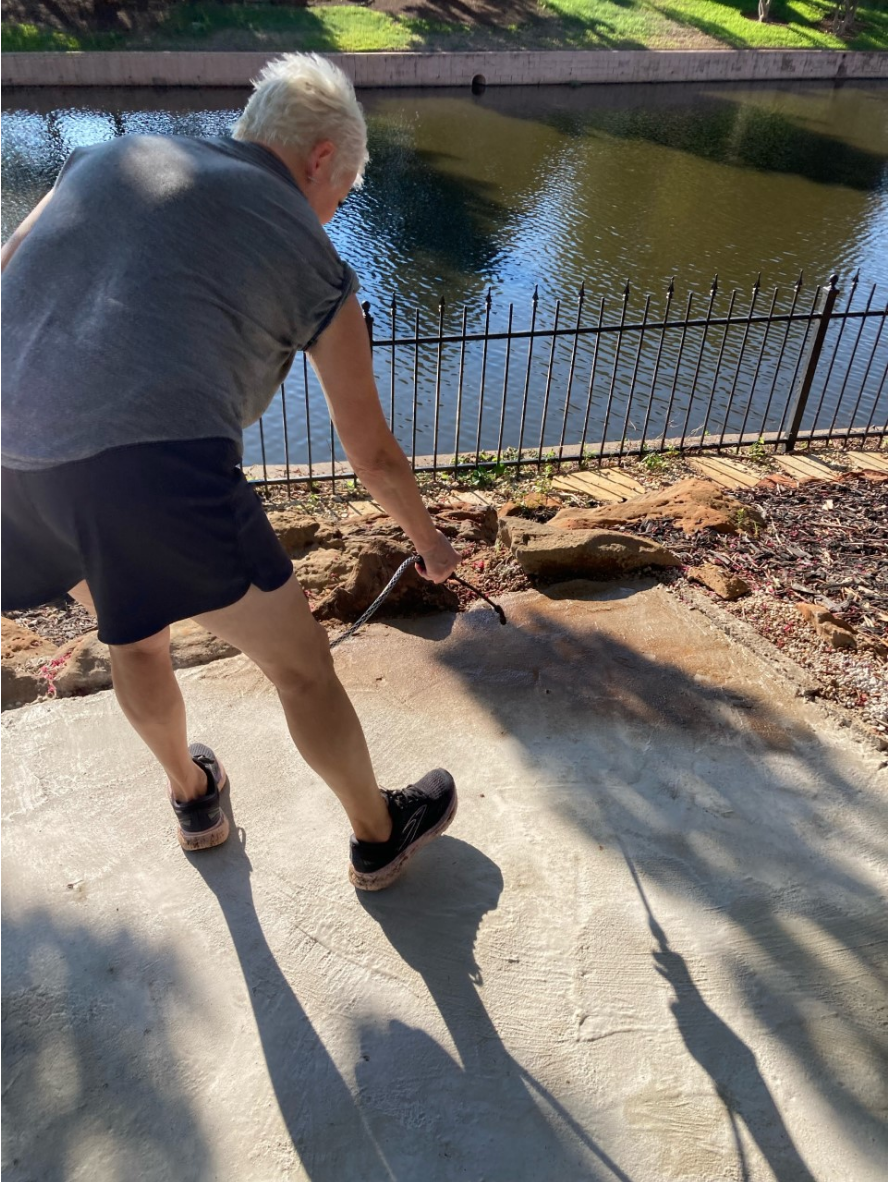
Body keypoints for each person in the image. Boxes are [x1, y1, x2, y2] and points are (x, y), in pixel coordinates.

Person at [1, 53, 459, 891]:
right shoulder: (320, 266)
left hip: (11, 464)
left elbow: (11, 265)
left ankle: (195, 798)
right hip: (152, 476)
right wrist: (429, 544)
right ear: (322, 159)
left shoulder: (108, 157)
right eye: (344, 192)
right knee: (300, 668)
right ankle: (380, 834)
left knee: (134, 634)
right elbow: (373, 454)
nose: (334, 210)